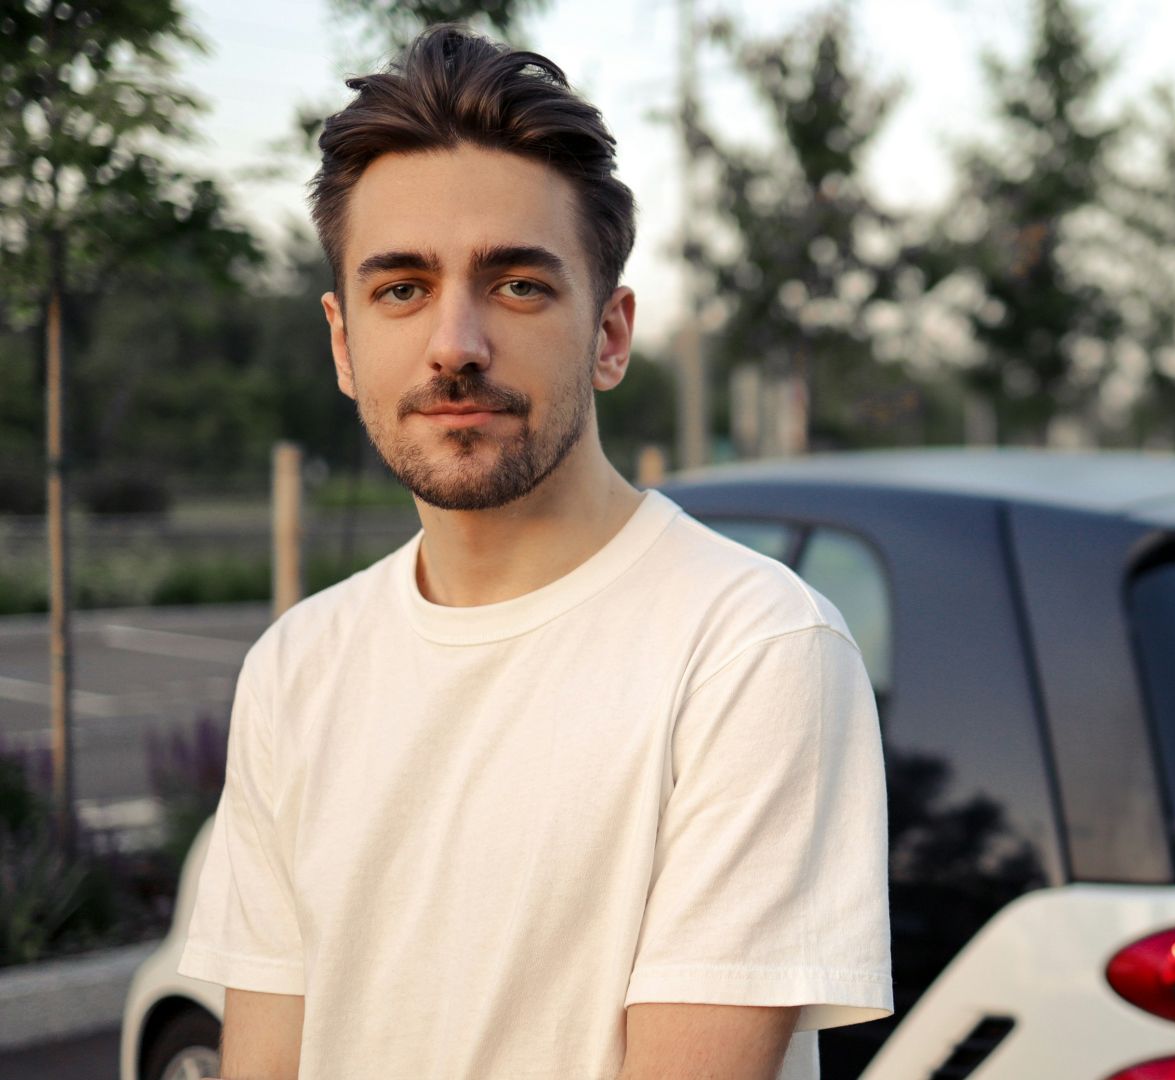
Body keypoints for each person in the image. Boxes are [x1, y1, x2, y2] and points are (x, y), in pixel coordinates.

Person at [176, 24, 892, 1080]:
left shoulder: (749, 648)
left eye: (517, 285)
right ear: (341, 341)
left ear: (609, 335)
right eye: (401, 288)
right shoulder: (297, 668)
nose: (455, 343)